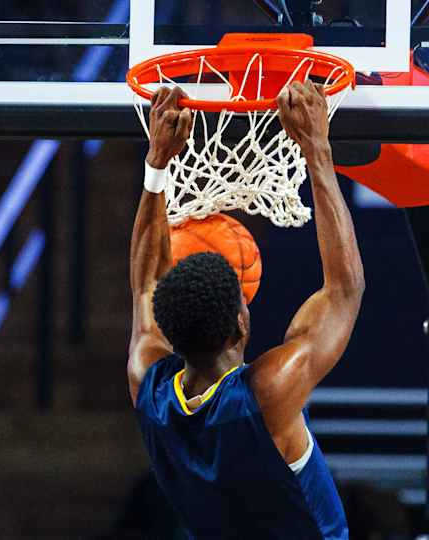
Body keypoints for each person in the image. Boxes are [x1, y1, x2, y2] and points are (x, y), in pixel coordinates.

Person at [126, 84, 364, 539]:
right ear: (241, 322)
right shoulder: (268, 391)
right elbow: (344, 290)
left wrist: (157, 165)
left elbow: (146, 284)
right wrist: (316, 149)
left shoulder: (150, 390)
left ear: (169, 333)